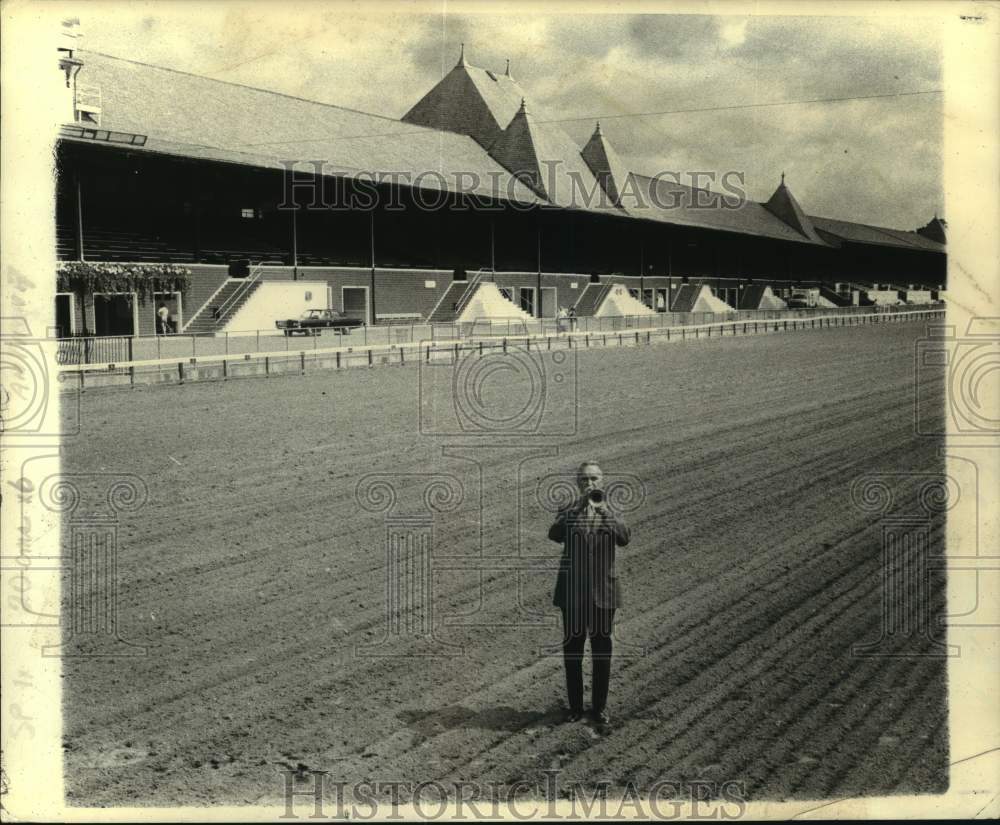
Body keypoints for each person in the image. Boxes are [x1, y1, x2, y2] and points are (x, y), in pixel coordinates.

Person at [549, 461, 631, 730]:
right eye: (584, 480)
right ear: (577, 483)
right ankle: (574, 708)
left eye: (594, 479)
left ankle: (598, 708)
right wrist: (576, 509)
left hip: (603, 593)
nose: (590, 484)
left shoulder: (613, 510)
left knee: (601, 651)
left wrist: (604, 512)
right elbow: (555, 534)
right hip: (572, 593)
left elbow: (623, 538)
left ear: (602, 480)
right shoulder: (568, 510)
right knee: (572, 651)